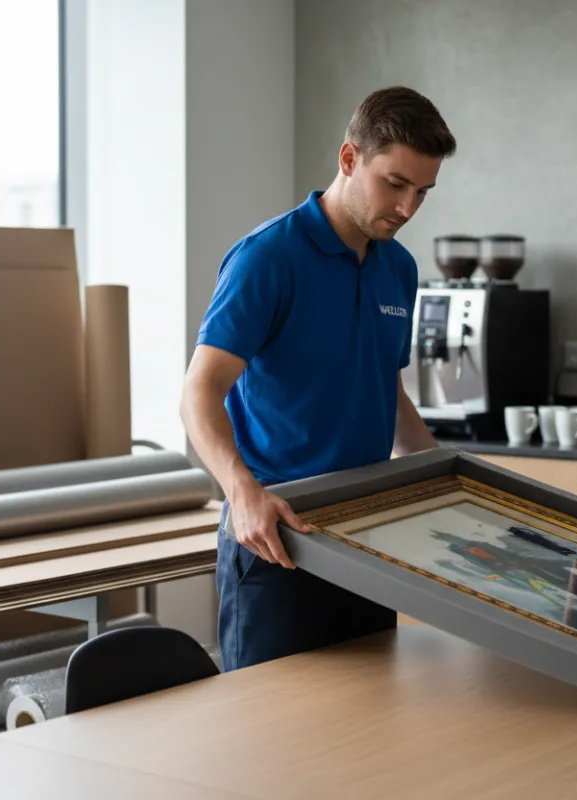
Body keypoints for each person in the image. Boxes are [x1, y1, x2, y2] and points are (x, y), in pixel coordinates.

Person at [180, 86, 457, 671]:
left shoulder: (398, 267)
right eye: (395, 184)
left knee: (363, 735)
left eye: (423, 192)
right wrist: (242, 492)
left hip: (368, 536)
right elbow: (199, 391)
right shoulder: (268, 258)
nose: (408, 209)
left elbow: (388, 388)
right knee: (270, 741)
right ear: (349, 159)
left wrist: (445, 485)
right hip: (277, 539)